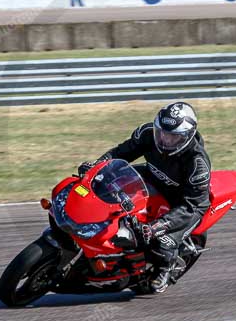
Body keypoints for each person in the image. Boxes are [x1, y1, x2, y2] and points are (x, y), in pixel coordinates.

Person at [79, 101, 211, 293]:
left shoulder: (197, 164)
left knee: (158, 240)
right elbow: (121, 152)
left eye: (173, 136)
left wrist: (158, 226)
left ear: (186, 137)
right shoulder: (148, 133)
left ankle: (166, 269)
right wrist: (97, 166)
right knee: (107, 184)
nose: (165, 139)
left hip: (182, 201)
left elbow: (195, 205)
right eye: (162, 132)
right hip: (152, 176)